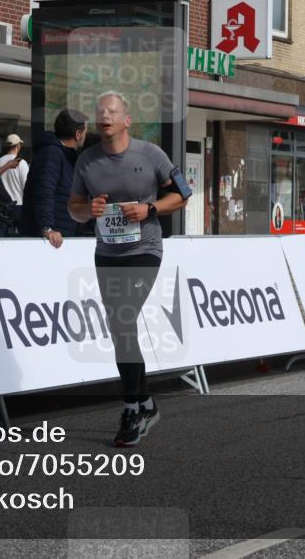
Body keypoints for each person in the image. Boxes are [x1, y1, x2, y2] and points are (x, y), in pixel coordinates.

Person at [67, 91, 188, 447]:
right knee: (121, 329)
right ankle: (147, 403)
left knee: (123, 318)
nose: (104, 116)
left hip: (144, 250)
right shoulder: (87, 161)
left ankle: (131, 408)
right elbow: (73, 207)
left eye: (112, 111)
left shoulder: (149, 154)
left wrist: (150, 209)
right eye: (100, 111)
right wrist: (88, 210)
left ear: (126, 120)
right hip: (107, 253)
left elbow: (183, 193)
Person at [21, 109, 87, 248]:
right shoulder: (52, 153)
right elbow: (44, 191)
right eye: (85, 132)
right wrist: (47, 227)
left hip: (61, 237)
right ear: (78, 134)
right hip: (48, 240)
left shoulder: (67, 156)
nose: (86, 136)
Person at [0, 134, 29, 237]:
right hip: (19, 206)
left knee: (3, 240)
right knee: (22, 238)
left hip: (3, 207)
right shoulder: (22, 163)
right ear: (18, 146)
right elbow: (26, 186)